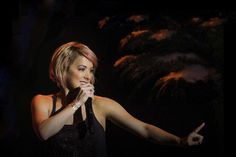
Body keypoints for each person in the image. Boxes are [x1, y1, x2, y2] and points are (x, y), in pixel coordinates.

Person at [31, 41, 205, 157]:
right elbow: (44, 133)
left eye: (91, 71)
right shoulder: (43, 102)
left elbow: (144, 129)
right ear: (62, 69)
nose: (88, 76)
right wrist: (76, 103)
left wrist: (179, 141)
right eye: (82, 68)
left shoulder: (102, 105)